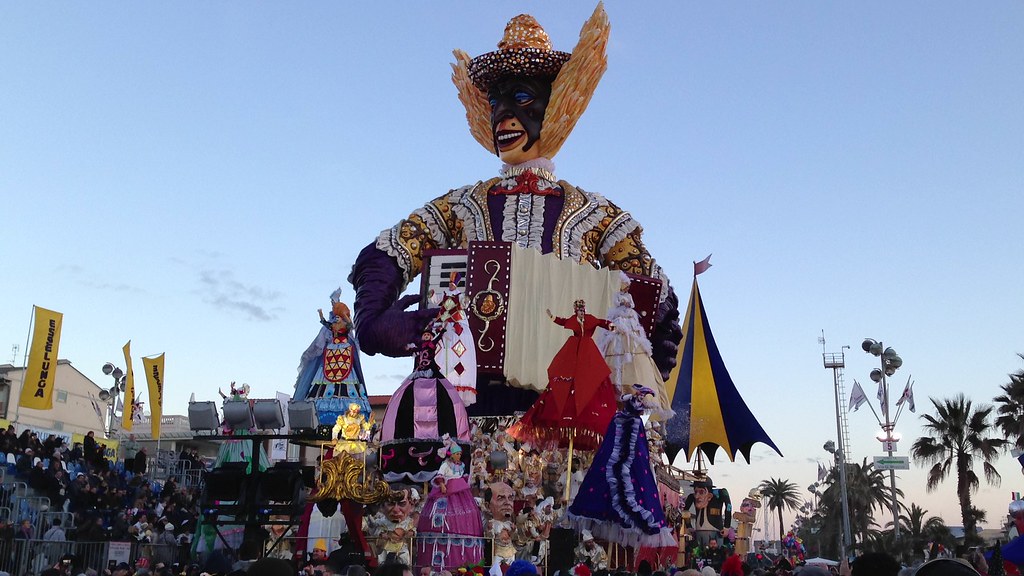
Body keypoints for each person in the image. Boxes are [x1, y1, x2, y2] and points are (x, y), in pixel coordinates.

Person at [347, 7, 683, 417]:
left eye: (522, 98)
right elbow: (388, 251)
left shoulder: (595, 213)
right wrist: (378, 321)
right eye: (496, 101)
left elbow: (655, 294)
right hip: (470, 402)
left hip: (568, 411)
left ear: (557, 106)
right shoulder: (463, 205)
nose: (504, 115)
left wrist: (638, 366)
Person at [565, 385, 675, 553]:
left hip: (629, 471)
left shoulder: (629, 422)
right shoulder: (621, 421)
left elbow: (638, 452)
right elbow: (615, 447)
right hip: (614, 473)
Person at [508, 300, 618, 451]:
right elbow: (563, 321)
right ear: (575, 310)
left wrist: (610, 325)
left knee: (590, 378)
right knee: (565, 379)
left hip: (588, 352)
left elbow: (601, 322)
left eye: (581, 309)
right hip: (574, 350)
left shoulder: (590, 319)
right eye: (577, 309)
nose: (580, 311)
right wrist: (552, 317)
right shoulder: (573, 320)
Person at [415, 442, 483, 570]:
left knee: (465, 514)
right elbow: (440, 476)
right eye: (457, 454)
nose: (459, 456)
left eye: (460, 454)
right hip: (447, 489)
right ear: (451, 455)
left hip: (461, 492)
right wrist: (442, 485)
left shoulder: (461, 465)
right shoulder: (445, 464)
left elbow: (463, 475)